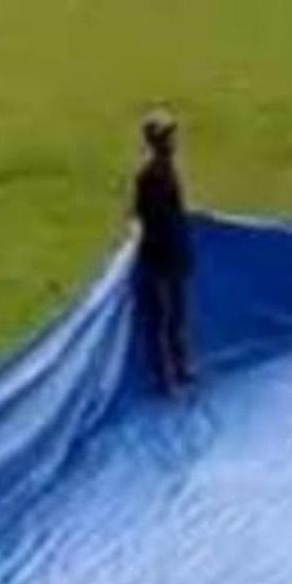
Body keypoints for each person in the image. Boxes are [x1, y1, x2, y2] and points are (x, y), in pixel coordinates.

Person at [131, 110, 195, 395]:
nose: (173, 142)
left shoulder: (168, 168)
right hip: (159, 257)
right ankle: (165, 379)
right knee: (162, 319)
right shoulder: (148, 175)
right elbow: (146, 216)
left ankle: (181, 367)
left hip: (174, 253)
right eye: (167, 137)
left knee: (177, 316)